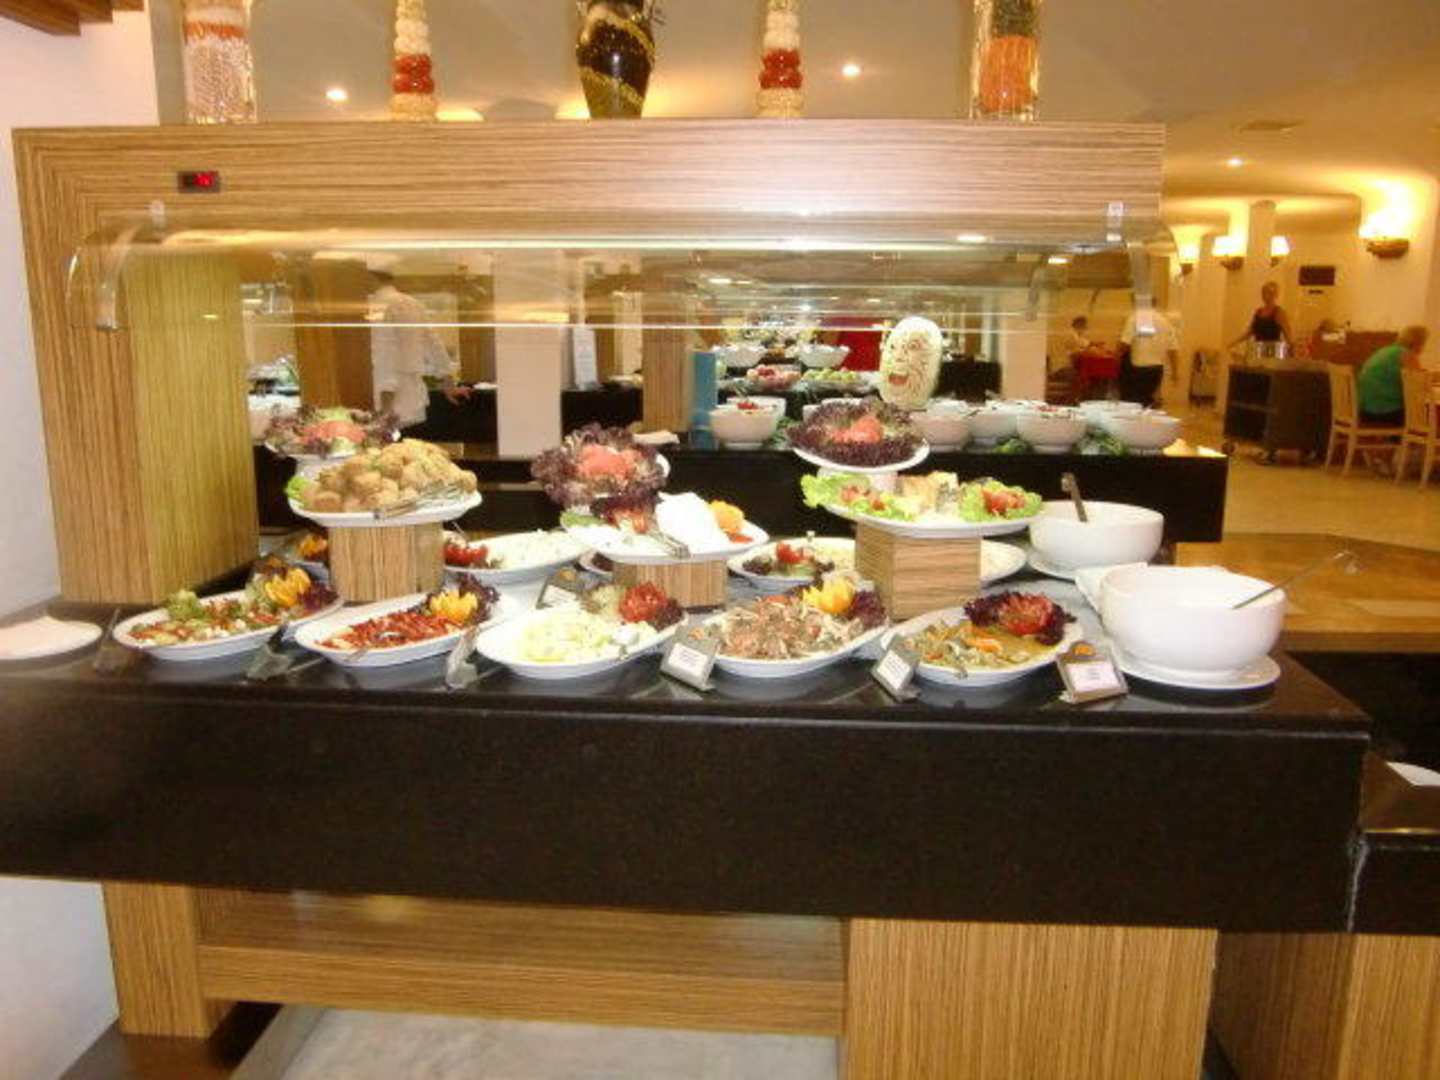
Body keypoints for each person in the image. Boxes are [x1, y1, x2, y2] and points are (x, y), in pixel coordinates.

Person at [369, 271, 466, 429]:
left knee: (380, 440)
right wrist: (448, 381)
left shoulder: (377, 305)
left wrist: (386, 404)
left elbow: (385, 354)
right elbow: (432, 342)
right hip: (409, 397)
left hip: (386, 398)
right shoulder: (412, 303)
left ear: (369, 277)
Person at [1357, 325, 1431, 427]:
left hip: (1366, 412)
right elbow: (1419, 385)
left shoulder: (1386, 351)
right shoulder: (1407, 355)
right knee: (1430, 415)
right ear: (1418, 343)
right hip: (1387, 413)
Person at [1118, 308, 1179, 406]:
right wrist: (1175, 372)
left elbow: (1124, 345)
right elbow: (1173, 349)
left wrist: (1116, 357)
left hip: (1137, 369)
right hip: (1156, 370)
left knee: (1131, 403)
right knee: (1147, 402)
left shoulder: (1135, 318)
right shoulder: (1165, 321)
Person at [1228, 281, 1293, 353]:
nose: (1266, 296)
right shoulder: (1258, 312)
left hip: (1272, 351)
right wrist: (1234, 342)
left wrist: (1291, 348)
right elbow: (1250, 331)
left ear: (1275, 295)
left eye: (1269, 293)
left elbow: (1288, 334)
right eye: (1264, 293)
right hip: (1258, 350)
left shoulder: (1279, 312)